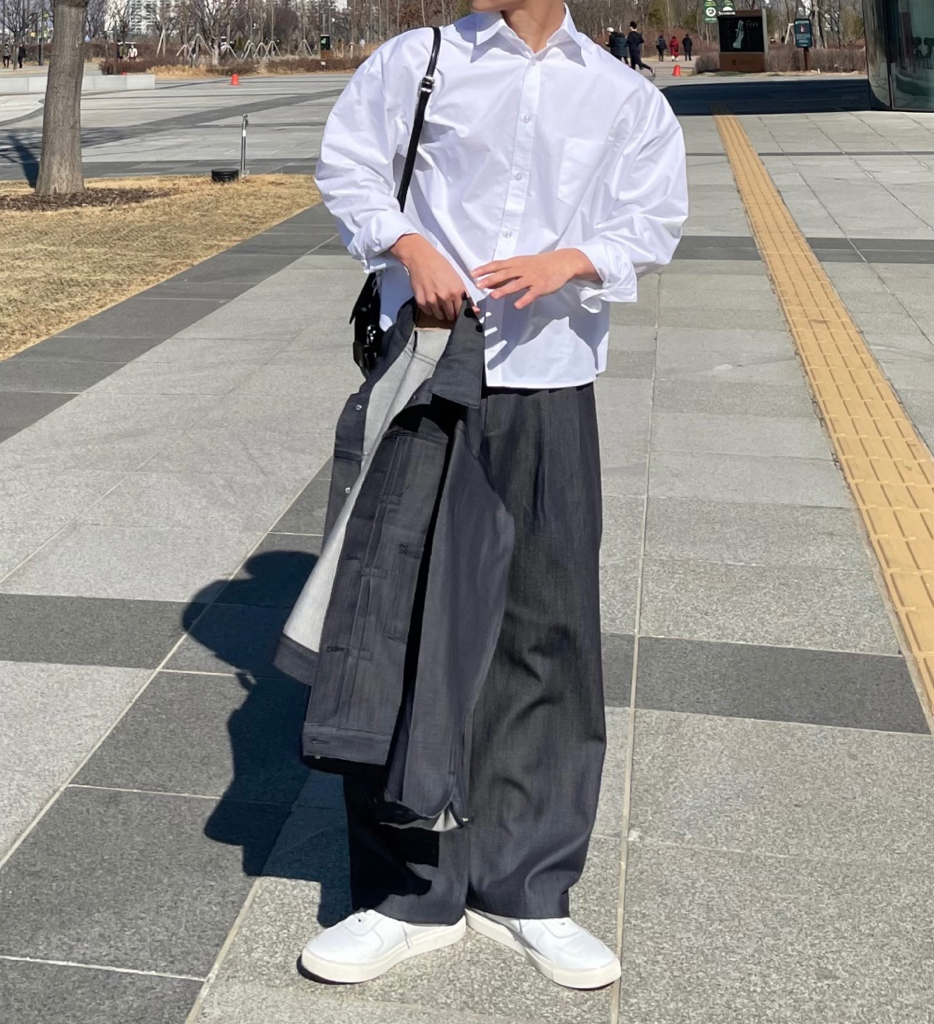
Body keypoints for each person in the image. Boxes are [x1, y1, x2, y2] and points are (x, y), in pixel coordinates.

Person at [298, 0, 687, 991]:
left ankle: (528, 886)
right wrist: (405, 243)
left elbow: (652, 220)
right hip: (431, 372)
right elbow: (348, 165)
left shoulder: (621, 94)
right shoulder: (417, 60)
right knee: (400, 623)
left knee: (546, 628)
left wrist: (575, 260)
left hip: (552, 379)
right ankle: (407, 892)